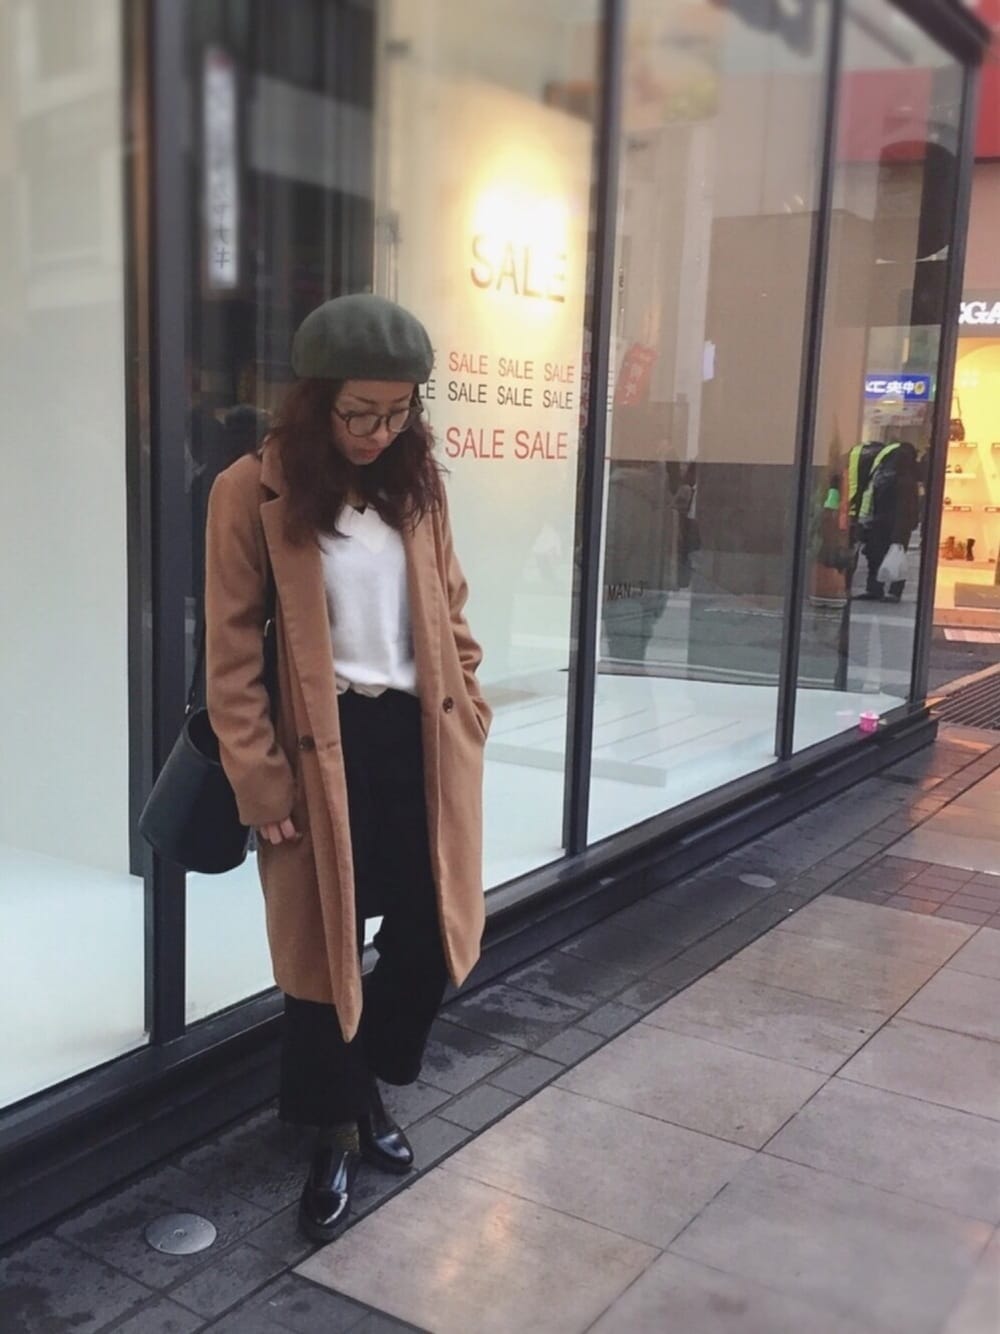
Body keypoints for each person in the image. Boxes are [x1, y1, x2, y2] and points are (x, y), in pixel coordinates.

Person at [204, 293, 490, 1243]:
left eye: (398, 412)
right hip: (315, 750)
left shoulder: (419, 485)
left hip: (418, 741)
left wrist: (471, 704)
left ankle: (364, 1084)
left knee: (429, 935)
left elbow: (451, 610)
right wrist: (259, 780)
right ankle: (334, 1130)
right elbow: (231, 654)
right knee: (324, 956)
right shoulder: (251, 491)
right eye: (359, 413)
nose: (378, 432)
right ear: (316, 401)